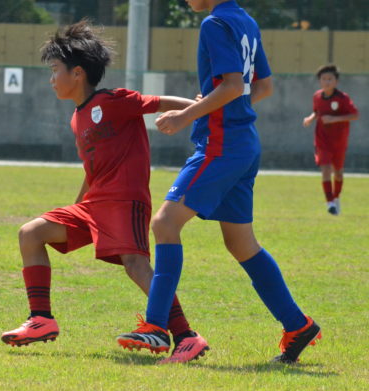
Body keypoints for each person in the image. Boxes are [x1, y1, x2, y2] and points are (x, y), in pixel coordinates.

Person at [117, 0, 321, 365]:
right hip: (243, 143)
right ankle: (298, 325)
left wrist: (185, 115)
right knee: (241, 243)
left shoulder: (214, 23)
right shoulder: (245, 21)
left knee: (164, 223)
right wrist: (220, 103)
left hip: (221, 145)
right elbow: (263, 86)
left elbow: (232, 86)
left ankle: (157, 326)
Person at [1, 20, 210, 363]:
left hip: (125, 201)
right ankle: (41, 319)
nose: (51, 78)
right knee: (31, 233)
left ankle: (187, 336)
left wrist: (200, 109)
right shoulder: (77, 117)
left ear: (77, 73)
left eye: (55, 70)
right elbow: (93, 169)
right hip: (93, 205)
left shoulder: (112, 100)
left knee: (136, 265)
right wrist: (76, 206)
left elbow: (157, 102)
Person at [303, 64, 358, 215]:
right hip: (322, 139)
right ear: (319, 81)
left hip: (339, 141)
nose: (326, 81)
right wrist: (310, 118)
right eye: (324, 79)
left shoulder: (343, 98)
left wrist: (334, 119)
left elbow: (354, 115)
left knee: (338, 172)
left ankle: (336, 197)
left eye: (330, 79)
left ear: (336, 81)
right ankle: (330, 203)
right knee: (326, 169)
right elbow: (317, 111)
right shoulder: (317, 96)